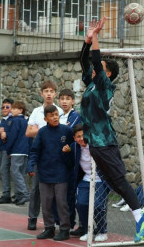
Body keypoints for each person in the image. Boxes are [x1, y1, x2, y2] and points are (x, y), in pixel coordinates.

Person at [78, 16, 144, 243]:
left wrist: (97, 37)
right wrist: (87, 40)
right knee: (114, 183)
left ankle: (141, 217)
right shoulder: (91, 83)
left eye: (99, 68)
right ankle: (139, 215)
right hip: (96, 144)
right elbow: (84, 61)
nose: (94, 68)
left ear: (107, 73)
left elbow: (97, 60)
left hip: (104, 141)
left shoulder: (103, 85)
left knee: (119, 181)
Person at [26, 105, 74, 241]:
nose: (55, 117)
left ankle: (65, 229)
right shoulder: (42, 132)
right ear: (45, 118)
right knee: (46, 203)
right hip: (44, 173)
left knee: (61, 202)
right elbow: (35, 151)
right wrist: (30, 166)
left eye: (56, 114)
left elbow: (74, 148)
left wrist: (69, 151)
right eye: (51, 115)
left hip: (62, 173)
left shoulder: (67, 130)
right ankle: (49, 228)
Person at [25, 80, 64, 230]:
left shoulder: (60, 111)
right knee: (36, 188)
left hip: (56, 155)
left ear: (55, 94)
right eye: (46, 91)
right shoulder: (36, 111)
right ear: (41, 94)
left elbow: (61, 129)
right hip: (40, 154)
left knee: (56, 189)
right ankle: (33, 217)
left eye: (51, 91)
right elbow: (28, 132)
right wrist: (46, 129)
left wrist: (40, 128)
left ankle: (54, 220)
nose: (48, 94)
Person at [62, 124, 110, 242]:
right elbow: (70, 164)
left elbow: (108, 159)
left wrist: (97, 155)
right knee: (81, 204)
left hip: (101, 179)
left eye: (83, 135)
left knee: (98, 205)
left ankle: (102, 231)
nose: (81, 138)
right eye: (78, 136)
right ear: (74, 138)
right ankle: (88, 230)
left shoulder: (96, 145)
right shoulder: (74, 147)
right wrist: (66, 152)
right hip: (86, 178)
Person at [56, 88, 82, 232]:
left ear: (73, 101)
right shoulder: (58, 116)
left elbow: (77, 136)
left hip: (73, 162)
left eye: (67, 99)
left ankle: (73, 224)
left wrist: (71, 147)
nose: (64, 101)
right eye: (62, 99)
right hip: (60, 162)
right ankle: (61, 221)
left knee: (72, 194)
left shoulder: (76, 116)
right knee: (62, 195)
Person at [1, 101, 30, 205]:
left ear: (20, 110)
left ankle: (25, 193)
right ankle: (19, 196)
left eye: (13, 109)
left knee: (15, 173)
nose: (11, 111)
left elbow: (12, 137)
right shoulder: (25, 121)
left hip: (16, 151)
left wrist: (8, 150)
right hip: (24, 151)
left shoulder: (16, 120)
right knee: (21, 174)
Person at [0, 98, 15, 204]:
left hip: (8, 149)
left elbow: (13, 135)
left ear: (12, 108)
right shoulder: (3, 120)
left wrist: (5, 134)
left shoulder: (13, 120)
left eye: (7, 107)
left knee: (5, 170)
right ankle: (6, 193)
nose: (4, 109)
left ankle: (6, 194)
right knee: (2, 171)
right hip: (1, 148)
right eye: (3, 107)